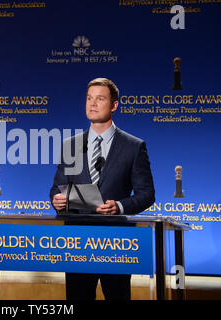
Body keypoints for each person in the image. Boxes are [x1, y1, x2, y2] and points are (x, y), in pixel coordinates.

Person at [49, 77, 155, 300]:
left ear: (114, 105)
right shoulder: (71, 145)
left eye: (100, 98)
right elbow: (56, 188)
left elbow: (147, 194)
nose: (92, 104)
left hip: (115, 243)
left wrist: (119, 206)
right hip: (77, 242)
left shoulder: (134, 146)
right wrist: (57, 199)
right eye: (89, 98)